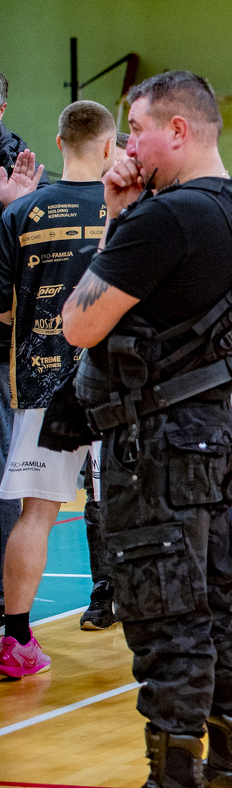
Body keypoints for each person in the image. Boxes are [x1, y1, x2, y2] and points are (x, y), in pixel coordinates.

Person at [61, 71, 232, 788]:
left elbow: (79, 323)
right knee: (214, 606)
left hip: (155, 446)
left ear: (178, 131)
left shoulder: (167, 218)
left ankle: (174, 776)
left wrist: (118, 220)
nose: (127, 147)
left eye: (138, 130)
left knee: (165, 619)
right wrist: (125, 211)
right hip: (208, 434)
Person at [0, 101, 114, 677]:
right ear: (111, 146)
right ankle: (168, 632)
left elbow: (2, 310)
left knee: (36, 515)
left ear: (59, 142)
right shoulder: (129, 209)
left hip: (42, 383)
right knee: (144, 508)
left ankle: (16, 640)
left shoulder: (19, 213)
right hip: (118, 386)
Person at [0, 70, 44, 619]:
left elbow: (27, 260)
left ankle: (5, 603)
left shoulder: (19, 163)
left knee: (6, 467)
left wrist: (10, 207)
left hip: (5, 342)